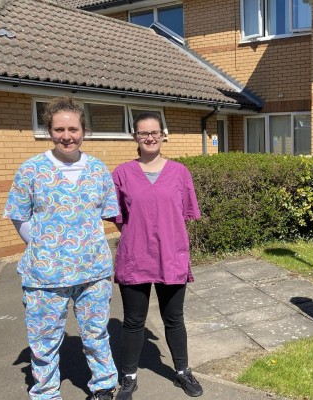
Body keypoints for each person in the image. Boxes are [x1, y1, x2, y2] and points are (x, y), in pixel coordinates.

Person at [3, 97, 119, 399]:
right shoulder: (31, 170)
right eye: (59, 129)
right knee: (44, 340)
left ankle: (104, 387)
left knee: (96, 335)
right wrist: (46, 247)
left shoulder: (98, 170)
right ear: (49, 131)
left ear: (84, 130)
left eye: (73, 129)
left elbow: (105, 214)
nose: (66, 136)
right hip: (45, 274)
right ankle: (46, 393)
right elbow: (18, 216)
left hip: (92, 272)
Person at [110, 112, 203, 399]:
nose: (149, 137)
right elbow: (119, 216)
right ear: (134, 137)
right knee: (133, 321)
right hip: (135, 257)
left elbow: (183, 214)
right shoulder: (122, 174)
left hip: (170, 256)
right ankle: (128, 377)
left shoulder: (179, 172)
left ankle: (182, 372)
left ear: (163, 134)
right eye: (143, 133)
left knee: (174, 318)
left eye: (154, 132)